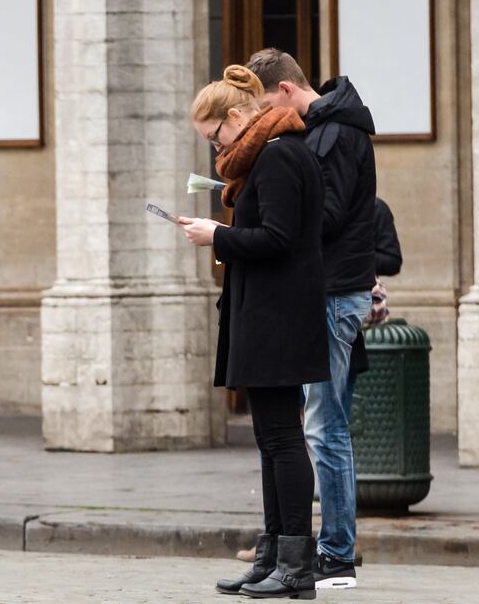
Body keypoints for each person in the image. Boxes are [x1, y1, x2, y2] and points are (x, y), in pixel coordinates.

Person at [180, 65, 327, 599]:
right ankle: (272, 555)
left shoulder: (281, 154)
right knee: (269, 439)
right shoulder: (265, 156)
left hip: (280, 316)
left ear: (238, 116)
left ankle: (297, 566)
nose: (216, 148)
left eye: (215, 135)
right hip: (264, 311)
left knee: (284, 440)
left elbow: (280, 239)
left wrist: (218, 234)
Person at [247, 48, 376, 590]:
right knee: (321, 425)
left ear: (283, 92)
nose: (259, 121)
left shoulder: (336, 133)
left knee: (324, 428)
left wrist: (269, 214)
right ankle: (323, 550)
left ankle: (336, 555)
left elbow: (325, 216)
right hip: (327, 290)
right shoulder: (325, 132)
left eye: (260, 107)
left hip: (333, 291)